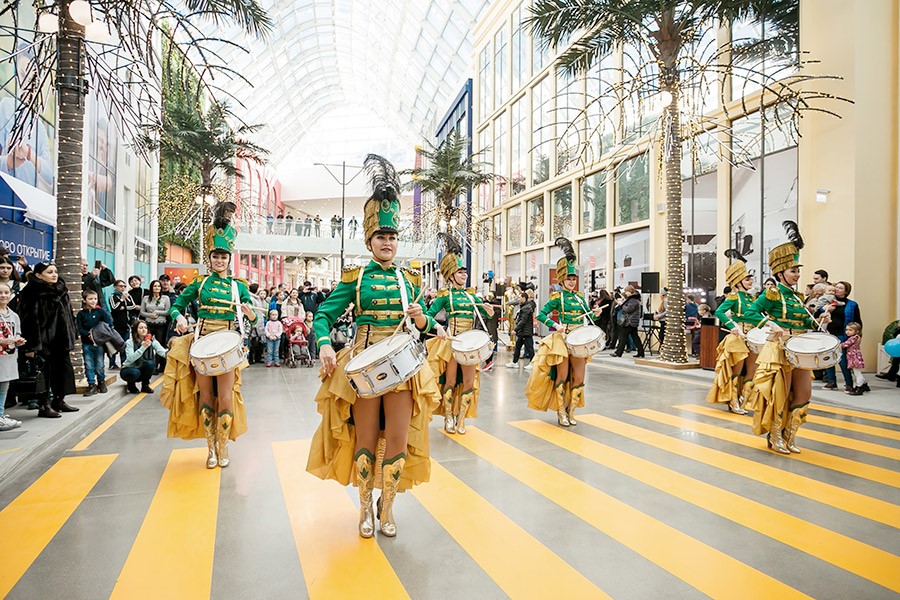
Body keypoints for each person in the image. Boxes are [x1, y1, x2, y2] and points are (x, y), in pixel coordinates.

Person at [306, 154, 441, 539]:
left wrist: (421, 319)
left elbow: (429, 323)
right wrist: (325, 345)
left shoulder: (410, 279)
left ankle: (388, 506)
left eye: (392, 237)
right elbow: (323, 315)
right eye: (381, 237)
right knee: (365, 439)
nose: (387, 243)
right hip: (364, 367)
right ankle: (364, 506)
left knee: (397, 439)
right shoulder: (356, 277)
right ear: (370, 240)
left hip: (402, 370)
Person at [163, 201, 258, 469]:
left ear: (230, 258)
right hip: (202, 342)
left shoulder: (239, 286)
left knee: (225, 397)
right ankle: (210, 448)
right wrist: (179, 317)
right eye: (215, 256)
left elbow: (254, 318)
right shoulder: (200, 283)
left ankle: (223, 442)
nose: (219, 260)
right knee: (205, 397)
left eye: (224, 256)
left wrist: (250, 314)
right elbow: (177, 306)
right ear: (210, 258)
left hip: (228, 344)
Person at [746, 221, 822, 455]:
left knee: (804, 393)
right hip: (780, 348)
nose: (797, 274)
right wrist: (772, 324)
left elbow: (804, 322)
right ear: (780, 273)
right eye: (793, 271)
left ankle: (790, 435)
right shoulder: (773, 293)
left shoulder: (798, 297)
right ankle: (776, 435)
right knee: (780, 393)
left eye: (798, 270)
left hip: (800, 349)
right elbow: (751, 312)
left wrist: (820, 322)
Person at [525, 238, 604, 427]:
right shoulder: (556, 297)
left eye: (574, 279)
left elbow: (590, 319)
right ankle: (561, 412)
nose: (571, 282)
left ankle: (571, 411)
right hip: (563, 339)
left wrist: (597, 314)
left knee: (579, 377)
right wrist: (555, 325)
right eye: (568, 279)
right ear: (562, 280)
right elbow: (541, 314)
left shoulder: (579, 298)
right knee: (561, 377)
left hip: (580, 340)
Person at [425, 234, 495, 434]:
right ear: (450, 275)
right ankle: (448, 417)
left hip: (470, 345)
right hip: (451, 343)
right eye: (460, 272)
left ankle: (461, 419)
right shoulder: (444, 296)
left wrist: (489, 310)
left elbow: (484, 313)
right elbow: (429, 315)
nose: (464, 275)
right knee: (448, 381)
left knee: (469, 382)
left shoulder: (472, 295)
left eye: (465, 272)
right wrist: (438, 328)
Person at [707, 250, 766, 414]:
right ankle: (733, 402)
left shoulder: (752, 298)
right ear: (738, 281)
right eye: (747, 279)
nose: (750, 281)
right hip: (738, 337)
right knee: (737, 371)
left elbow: (756, 316)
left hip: (753, 337)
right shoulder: (734, 297)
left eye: (750, 279)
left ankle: (744, 400)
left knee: (752, 370)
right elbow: (719, 312)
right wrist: (732, 325)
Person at [17, 263, 78, 418]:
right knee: (45, 373)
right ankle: (44, 405)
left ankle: (59, 400)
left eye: (55, 272)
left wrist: (73, 334)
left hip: (62, 339)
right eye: (49, 272)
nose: (54, 275)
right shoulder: (31, 291)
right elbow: (28, 319)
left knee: (63, 371)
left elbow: (69, 314)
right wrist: (31, 345)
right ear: (38, 275)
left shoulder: (61, 289)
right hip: (44, 341)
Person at [818, 281, 863, 391]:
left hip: (843, 335)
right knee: (828, 359)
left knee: (843, 361)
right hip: (828, 334)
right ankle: (831, 381)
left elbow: (857, 321)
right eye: (836, 287)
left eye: (840, 288)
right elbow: (817, 314)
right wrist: (824, 309)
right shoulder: (828, 302)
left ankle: (849, 383)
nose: (837, 289)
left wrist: (857, 336)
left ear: (846, 291)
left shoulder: (852, 304)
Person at [76, 290, 114, 396]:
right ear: (84, 300)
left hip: (99, 343)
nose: (93, 301)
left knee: (100, 364)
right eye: (90, 299)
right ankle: (91, 384)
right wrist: (87, 333)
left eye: (95, 299)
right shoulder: (81, 314)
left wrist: (99, 333)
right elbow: (79, 328)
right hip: (87, 343)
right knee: (88, 364)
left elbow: (109, 323)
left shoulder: (100, 312)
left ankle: (101, 382)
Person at [0, 282, 25, 430]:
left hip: (8, 357)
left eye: (5, 293)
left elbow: (17, 333)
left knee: (4, 386)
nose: (3, 296)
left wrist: (18, 341)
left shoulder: (14, 315)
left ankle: (1, 415)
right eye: (0, 293)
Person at [121, 320, 167, 393]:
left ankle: (145, 386)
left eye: (145, 328)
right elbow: (130, 359)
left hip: (142, 368)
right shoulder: (130, 342)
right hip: (129, 368)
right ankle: (131, 385)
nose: (143, 330)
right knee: (135, 372)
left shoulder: (152, 341)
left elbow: (162, 352)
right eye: (141, 328)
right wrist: (143, 348)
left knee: (150, 364)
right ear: (136, 329)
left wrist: (172, 354)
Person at [109, 279, 139, 369]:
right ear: (115, 287)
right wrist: (122, 300)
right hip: (115, 325)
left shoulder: (127, 295)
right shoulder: (112, 296)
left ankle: (124, 363)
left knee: (124, 345)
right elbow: (114, 307)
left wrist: (123, 307)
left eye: (124, 286)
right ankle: (112, 363)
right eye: (120, 286)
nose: (123, 288)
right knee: (114, 345)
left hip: (126, 325)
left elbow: (133, 306)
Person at [141, 280, 170, 372]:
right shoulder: (146, 298)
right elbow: (142, 312)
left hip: (161, 325)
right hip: (149, 324)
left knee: (160, 345)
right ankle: (149, 364)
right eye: (155, 286)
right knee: (147, 344)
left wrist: (157, 312)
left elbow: (167, 311)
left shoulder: (165, 298)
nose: (157, 288)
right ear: (151, 287)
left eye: (158, 286)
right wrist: (150, 315)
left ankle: (159, 365)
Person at [612, 285, 645, 358]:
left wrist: (621, 304)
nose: (625, 293)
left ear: (630, 291)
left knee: (623, 337)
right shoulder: (634, 299)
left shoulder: (633, 300)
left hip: (629, 322)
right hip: (632, 321)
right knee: (635, 337)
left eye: (626, 291)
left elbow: (628, 309)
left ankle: (618, 352)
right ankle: (641, 352)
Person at [507, 288, 536, 369]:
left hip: (526, 332)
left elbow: (523, 321)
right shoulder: (524, 307)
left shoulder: (526, 308)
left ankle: (533, 363)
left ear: (524, 298)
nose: (518, 299)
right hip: (522, 332)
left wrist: (515, 330)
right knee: (518, 347)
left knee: (530, 348)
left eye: (520, 297)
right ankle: (514, 362)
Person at [839, 322, 867, 396]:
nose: (847, 331)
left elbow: (845, 344)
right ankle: (864, 385)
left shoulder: (854, 338)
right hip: (853, 357)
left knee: (857, 373)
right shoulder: (856, 337)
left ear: (857, 331)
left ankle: (859, 387)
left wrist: (837, 345)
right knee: (856, 372)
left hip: (854, 358)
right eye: (846, 329)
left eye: (850, 330)